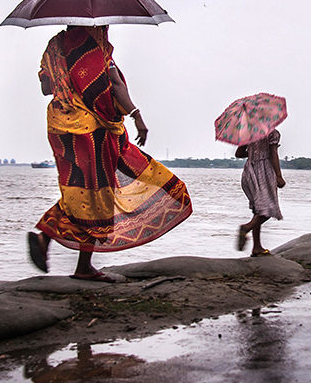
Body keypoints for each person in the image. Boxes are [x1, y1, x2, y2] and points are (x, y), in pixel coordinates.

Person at [26, 26, 192, 281]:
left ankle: (44, 237)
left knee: (78, 191)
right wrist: (137, 116)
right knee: (99, 195)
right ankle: (82, 267)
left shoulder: (54, 48)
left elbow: (46, 89)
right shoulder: (97, 49)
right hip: (95, 132)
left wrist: (62, 76)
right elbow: (114, 85)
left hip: (63, 129)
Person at [235, 128, 284, 256]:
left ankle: (257, 247)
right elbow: (273, 154)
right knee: (268, 209)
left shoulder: (248, 132)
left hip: (249, 172)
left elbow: (238, 153)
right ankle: (246, 227)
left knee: (258, 210)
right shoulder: (272, 133)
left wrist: (253, 152)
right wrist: (278, 176)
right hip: (264, 172)